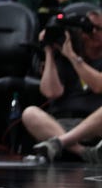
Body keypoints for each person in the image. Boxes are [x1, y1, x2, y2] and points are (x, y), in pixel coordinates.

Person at [23, 9, 102, 163]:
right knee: (29, 113)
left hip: (92, 125)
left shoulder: (71, 55)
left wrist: (72, 57)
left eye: (98, 29)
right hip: (60, 124)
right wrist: (49, 51)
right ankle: (82, 152)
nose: (91, 33)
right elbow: (51, 92)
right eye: (88, 28)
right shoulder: (63, 54)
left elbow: (98, 85)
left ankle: (59, 143)